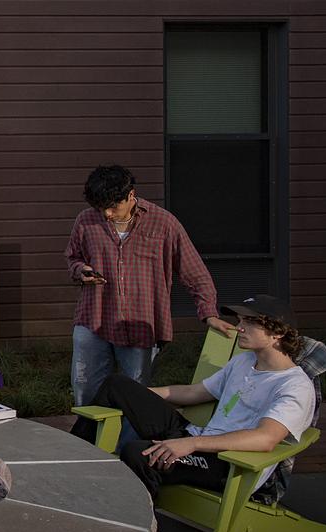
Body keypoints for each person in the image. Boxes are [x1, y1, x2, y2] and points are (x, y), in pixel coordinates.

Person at [70, 296, 315, 499]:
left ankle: (143, 530)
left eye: (250, 323)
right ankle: (69, 459)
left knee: (138, 453)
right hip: (195, 437)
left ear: (277, 334)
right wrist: (136, 397)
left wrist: (192, 444)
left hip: (226, 463)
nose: (240, 327)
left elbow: (265, 438)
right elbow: (194, 392)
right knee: (117, 385)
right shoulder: (244, 362)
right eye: (240, 321)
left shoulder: (294, 386)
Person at [65, 164, 232, 407]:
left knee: (135, 395)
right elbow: (73, 257)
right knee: (85, 390)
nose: (107, 214)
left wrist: (209, 314)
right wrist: (81, 270)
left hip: (141, 323)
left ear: (131, 195)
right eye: (101, 208)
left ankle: (129, 434)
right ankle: (86, 433)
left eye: (113, 207)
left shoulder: (164, 223)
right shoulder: (85, 220)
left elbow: (195, 272)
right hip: (94, 318)